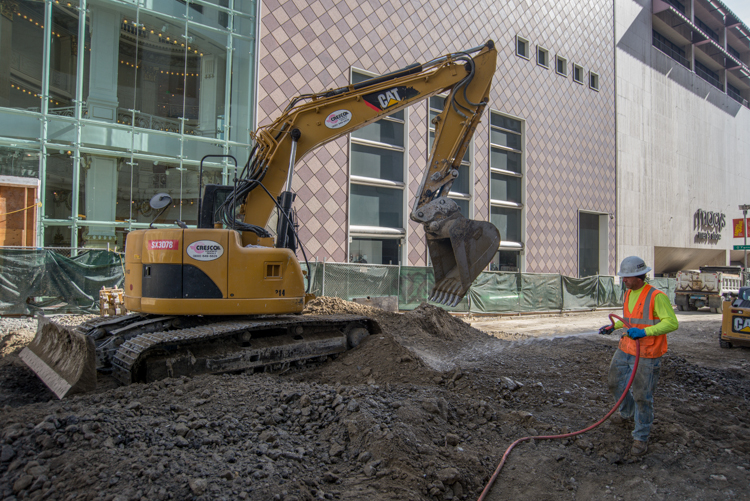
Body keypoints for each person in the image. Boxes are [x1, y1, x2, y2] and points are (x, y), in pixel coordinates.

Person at [598, 256, 678, 456]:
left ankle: (641, 436)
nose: (623, 280)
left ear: (638, 276)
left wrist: (645, 332)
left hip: (647, 352)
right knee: (615, 383)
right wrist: (613, 326)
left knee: (643, 395)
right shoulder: (628, 294)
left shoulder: (656, 296)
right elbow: (628, 320)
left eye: (626, 277)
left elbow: (672, 323)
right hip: (626, 348)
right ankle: (629, 414)